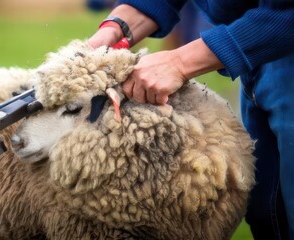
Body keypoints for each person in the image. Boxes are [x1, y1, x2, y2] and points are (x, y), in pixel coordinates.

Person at [88, 1, 294, 239]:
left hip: (280, 43)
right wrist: (117, 26)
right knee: (268, 214)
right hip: (256, 50)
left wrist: (179, 62)